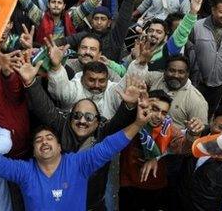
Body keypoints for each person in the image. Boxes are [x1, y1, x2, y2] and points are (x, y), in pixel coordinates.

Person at [0, 92, 151, 210]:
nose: (44, 142)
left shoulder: (79, 164)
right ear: (33, 151)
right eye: (38, 140)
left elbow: (109, 146)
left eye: (50, 138)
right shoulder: (24, 171)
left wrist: (139, 123)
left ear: (60, 146)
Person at [15, 48, 142, 210]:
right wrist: (30, 83)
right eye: (77, 116)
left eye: (89, 117)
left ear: (98, 121)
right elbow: (45, 109)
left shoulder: (103, 131)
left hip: (93, 203)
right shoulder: (63, 126)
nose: (82, 121)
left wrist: (130, 105)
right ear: (70, 117)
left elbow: (120, 122)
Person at [119, 90, 204, 210]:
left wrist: (192, 134)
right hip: (128, 182)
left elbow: (184, 148)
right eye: (154, 109)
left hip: (154, 186)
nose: (159, 116)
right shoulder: (131, 121)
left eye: (164, 112)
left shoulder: (168, 129)